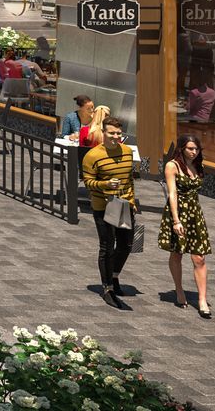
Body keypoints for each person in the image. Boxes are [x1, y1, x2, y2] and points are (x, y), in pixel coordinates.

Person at [84, 115, 139, 309]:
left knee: (126, 244)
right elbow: (88, 182)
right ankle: (107, 287)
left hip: (124, 204)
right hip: (104, 205)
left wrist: (132, 200)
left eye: (118, 133)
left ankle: (114, 276)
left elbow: (129, 178)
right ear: (103, 133)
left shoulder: (127, 152)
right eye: (111, 133)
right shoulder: (93, 155)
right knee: (107, 246)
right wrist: (105, 184)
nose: (115, 136)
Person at [158, 133, 212, 317]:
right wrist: (176, 220)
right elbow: (172, 194)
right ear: (182, 148)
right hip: (178, 212)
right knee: (177, 253)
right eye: (190, 148)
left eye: (196, 149)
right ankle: (179, 289)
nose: (194, 152)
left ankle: (202, 299)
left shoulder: (198, 165)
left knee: (199, 258)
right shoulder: (172, 166)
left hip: (195, 214)